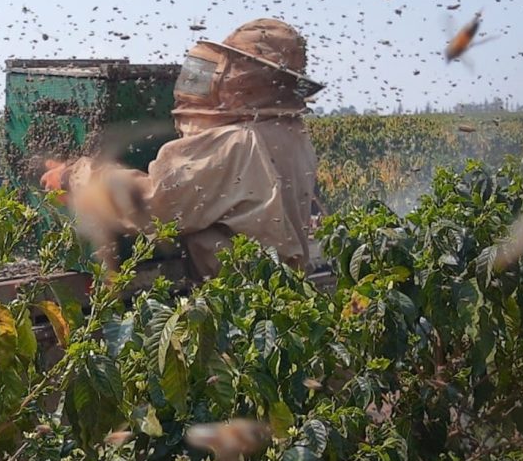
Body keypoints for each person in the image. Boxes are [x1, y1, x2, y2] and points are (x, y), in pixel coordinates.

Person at [40, 18, 324, 280]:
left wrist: (73, 177)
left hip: (241, 302)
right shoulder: (292, 134)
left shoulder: (238, 143)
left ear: (249, 79)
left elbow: (155, 205)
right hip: (278, 288)